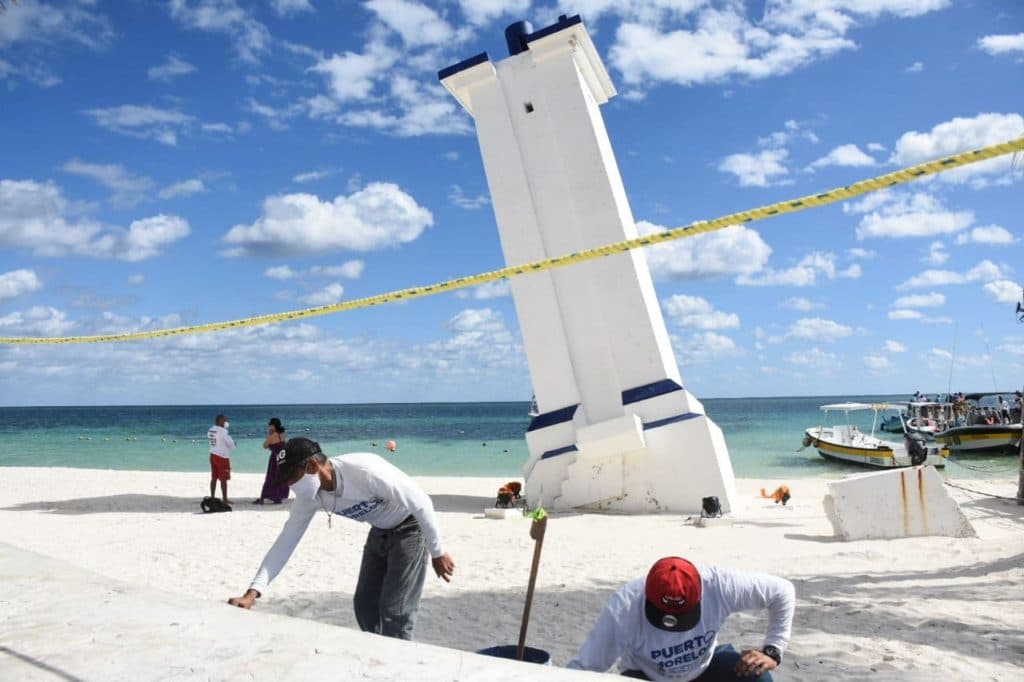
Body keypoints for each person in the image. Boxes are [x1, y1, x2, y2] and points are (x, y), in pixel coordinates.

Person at [227, 437, 456, 640]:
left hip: (410, 528)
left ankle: (398, 665)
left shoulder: (364, 470)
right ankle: (381, 654)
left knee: (395, 611)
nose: (289, 486)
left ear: (312, 466)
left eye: (292, 477)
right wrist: (252, 593)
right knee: (364, 606)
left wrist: (438, 552)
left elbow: (421, 502)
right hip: (378, 531)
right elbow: (285, 543)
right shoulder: (310, 498)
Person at [568, 556, 794, 681]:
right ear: (647, 595)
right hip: (646, 675)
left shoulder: (720, 585)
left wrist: (773, 650)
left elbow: (782, 591)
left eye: (682, 617)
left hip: (705, 667)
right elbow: (585, 666)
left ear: (700, 594)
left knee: (759, 680)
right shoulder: (624, 608)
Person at [254, 418, 289, 505]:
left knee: (271, 477)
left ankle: (267, 496)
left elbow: (264, 445)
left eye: (270, 425)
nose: (269, 426)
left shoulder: (272, 435)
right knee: (280, 477)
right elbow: (284, 444)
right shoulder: (282, 434)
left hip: (274, 459)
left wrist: (269, 434)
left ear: (273, 425)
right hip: (283, 457)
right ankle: (278, 496)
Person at [207, 414, 235, 504]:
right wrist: (234, 443)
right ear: (220, 421)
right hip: (222, 457)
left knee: (214, 477)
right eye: (224, 420)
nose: (226, 422)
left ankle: (212, 497)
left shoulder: (210, 430)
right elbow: (231, 445)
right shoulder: (223, 431)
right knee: (224, 479)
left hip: (213, 455)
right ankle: (225, 499)